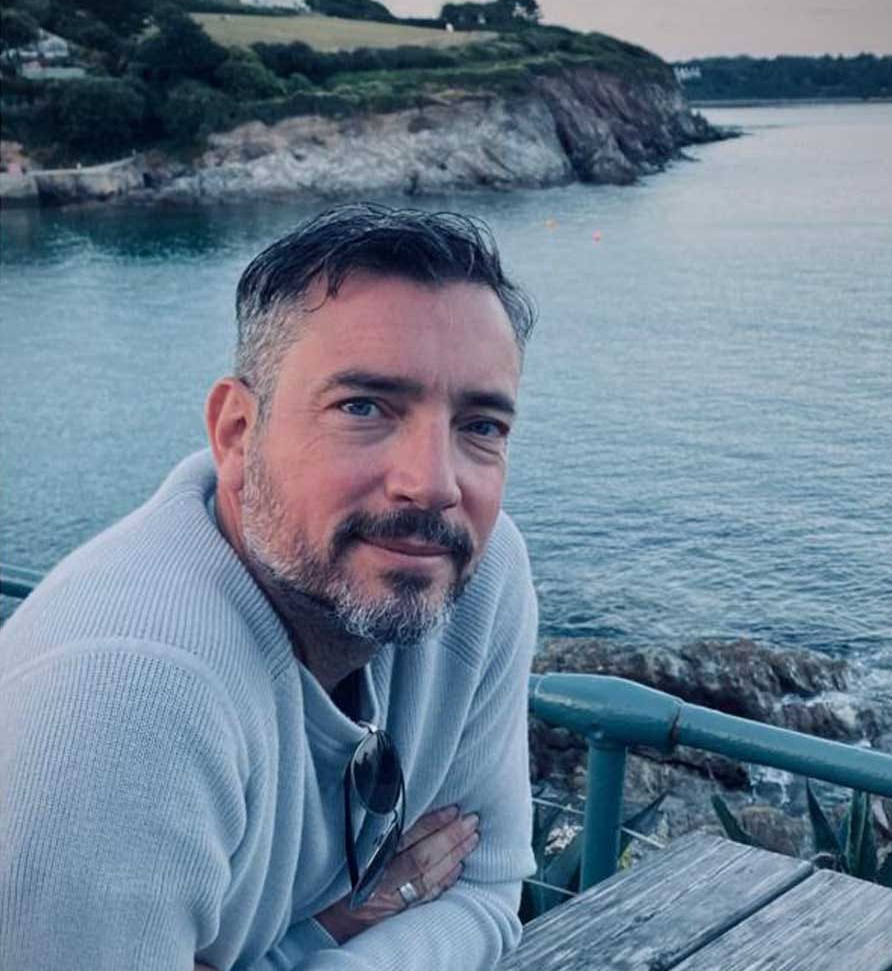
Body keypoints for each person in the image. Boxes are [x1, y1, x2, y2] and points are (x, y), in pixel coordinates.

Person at [0, 204, 539, 970]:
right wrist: (345, 924)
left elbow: (485, 893)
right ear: (237, 435)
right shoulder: (126, 694)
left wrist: (312, 951)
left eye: (480, 425)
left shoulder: (473, 575)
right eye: (364, 408)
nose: (433, 484)